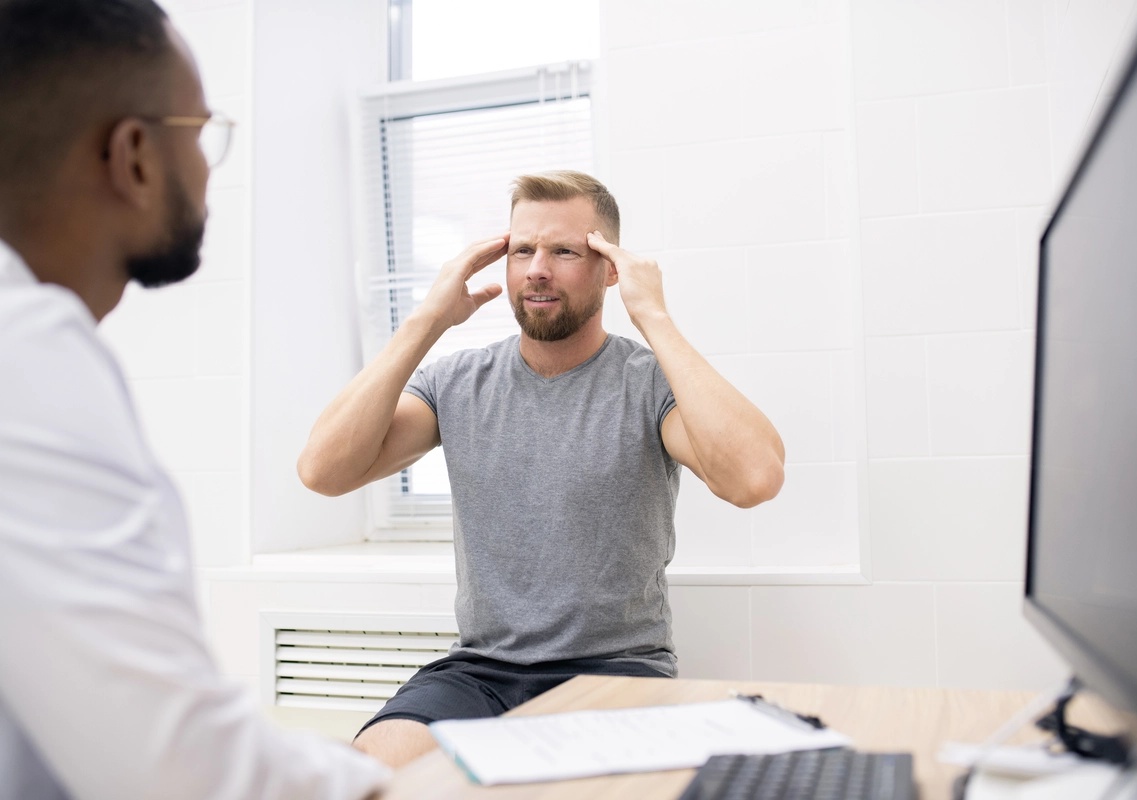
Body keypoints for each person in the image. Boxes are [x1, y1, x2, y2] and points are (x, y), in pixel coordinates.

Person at [0, 1, 392, 797]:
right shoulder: (25, 345)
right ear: (136, 155)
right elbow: (176, 767)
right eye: (202, 132)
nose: (212, 168)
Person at [298, 170, 787, 767]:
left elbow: (755, 478)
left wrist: (652, 316)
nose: (536, 268)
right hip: (478, 672)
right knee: (368, 774)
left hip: (616, 670)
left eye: (564, 251)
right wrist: (426, 320)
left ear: (610, 268)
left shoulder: (648, 384)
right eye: (522, 249)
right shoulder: (456, 382)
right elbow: (322, 470)